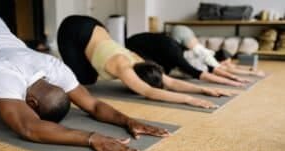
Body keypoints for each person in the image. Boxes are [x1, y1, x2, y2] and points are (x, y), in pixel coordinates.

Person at [0, 10, 170, 151]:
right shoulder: (5, 73)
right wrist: (91, 138)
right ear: (31, 103)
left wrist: (128, 121)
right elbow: (29, 127)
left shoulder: (53, 66)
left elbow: (95, 105)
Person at [57, 15, 235, 110]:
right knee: (85, 80)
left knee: (90, 73)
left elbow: (170, 81)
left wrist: (203, 89)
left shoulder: (140, 60)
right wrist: (190, 100)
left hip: (96, 26)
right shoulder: (122, 66)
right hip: (71, 28)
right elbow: (149, 92)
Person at [170, 25, 265, 77]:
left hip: (212, 57)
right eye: (192, 38)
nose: (195, 39)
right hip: (207, 62)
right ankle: (250, 71)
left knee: (227, 65)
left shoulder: (195, 49)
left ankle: (248, 70)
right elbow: (219, 67)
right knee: (226, 67)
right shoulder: (194, 51)